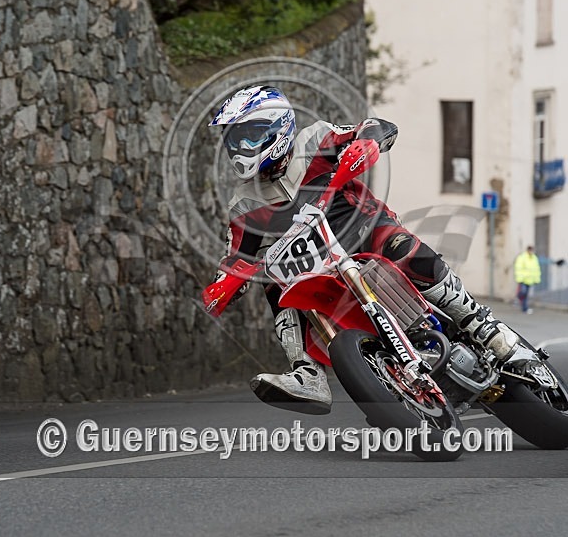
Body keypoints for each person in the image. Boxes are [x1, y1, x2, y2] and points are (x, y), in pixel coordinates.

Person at [203, 85, 519, 413]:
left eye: (248, 136)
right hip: (319, 266)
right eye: (234, 140)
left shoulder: (315, 140)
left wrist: (368, 141)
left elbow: (370, 127)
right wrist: (224, 284)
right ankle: (307, 371)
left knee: (402, 248)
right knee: (274, 283)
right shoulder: (244, 203)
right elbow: (238, 256)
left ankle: (477, 321)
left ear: (276, 127)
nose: (240, 148)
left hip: (366, 232)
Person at [514, 246, 541, 313]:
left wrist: (537, 279)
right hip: (523, 279)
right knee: (523, 292)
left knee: (526, 295)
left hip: (530, 280)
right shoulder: (522, 257)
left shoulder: (534, 258)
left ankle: (524, 308)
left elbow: (536, 269)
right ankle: (518, 296)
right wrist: (520, 278)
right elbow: (518, 268)